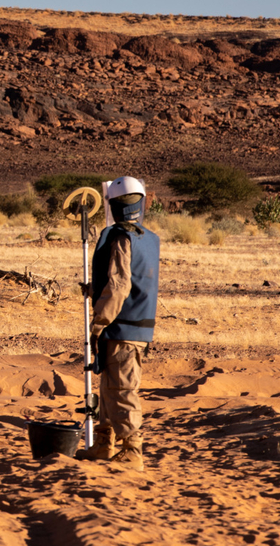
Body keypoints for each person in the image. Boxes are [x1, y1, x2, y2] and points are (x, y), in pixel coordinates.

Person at [76, 176, 160, 471]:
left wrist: (98, 322)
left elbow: (120, 286)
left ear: (113, 204)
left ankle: (132, 450)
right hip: (133, 327)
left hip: (121, 327)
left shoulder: (121, 237)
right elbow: (131, 281)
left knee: (122, 389)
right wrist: (93, 291)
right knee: (110, 387)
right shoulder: (148, 238)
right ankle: (103, 444)